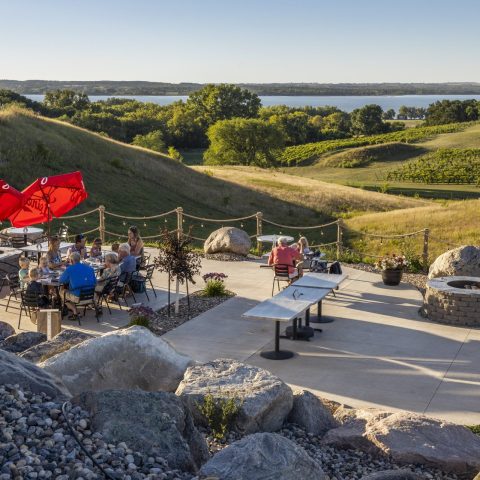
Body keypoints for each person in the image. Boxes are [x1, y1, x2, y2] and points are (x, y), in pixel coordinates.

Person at [59, 252, 96, 318]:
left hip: (78, 297)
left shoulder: (70, 269)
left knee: (61, 291)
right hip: (90, 296)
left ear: (71, 261)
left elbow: (61, 280)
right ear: (79, 259)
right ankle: (74, 308)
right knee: (71, 289)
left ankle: (74, 311)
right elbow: (95, 282)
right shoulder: (90, 268)